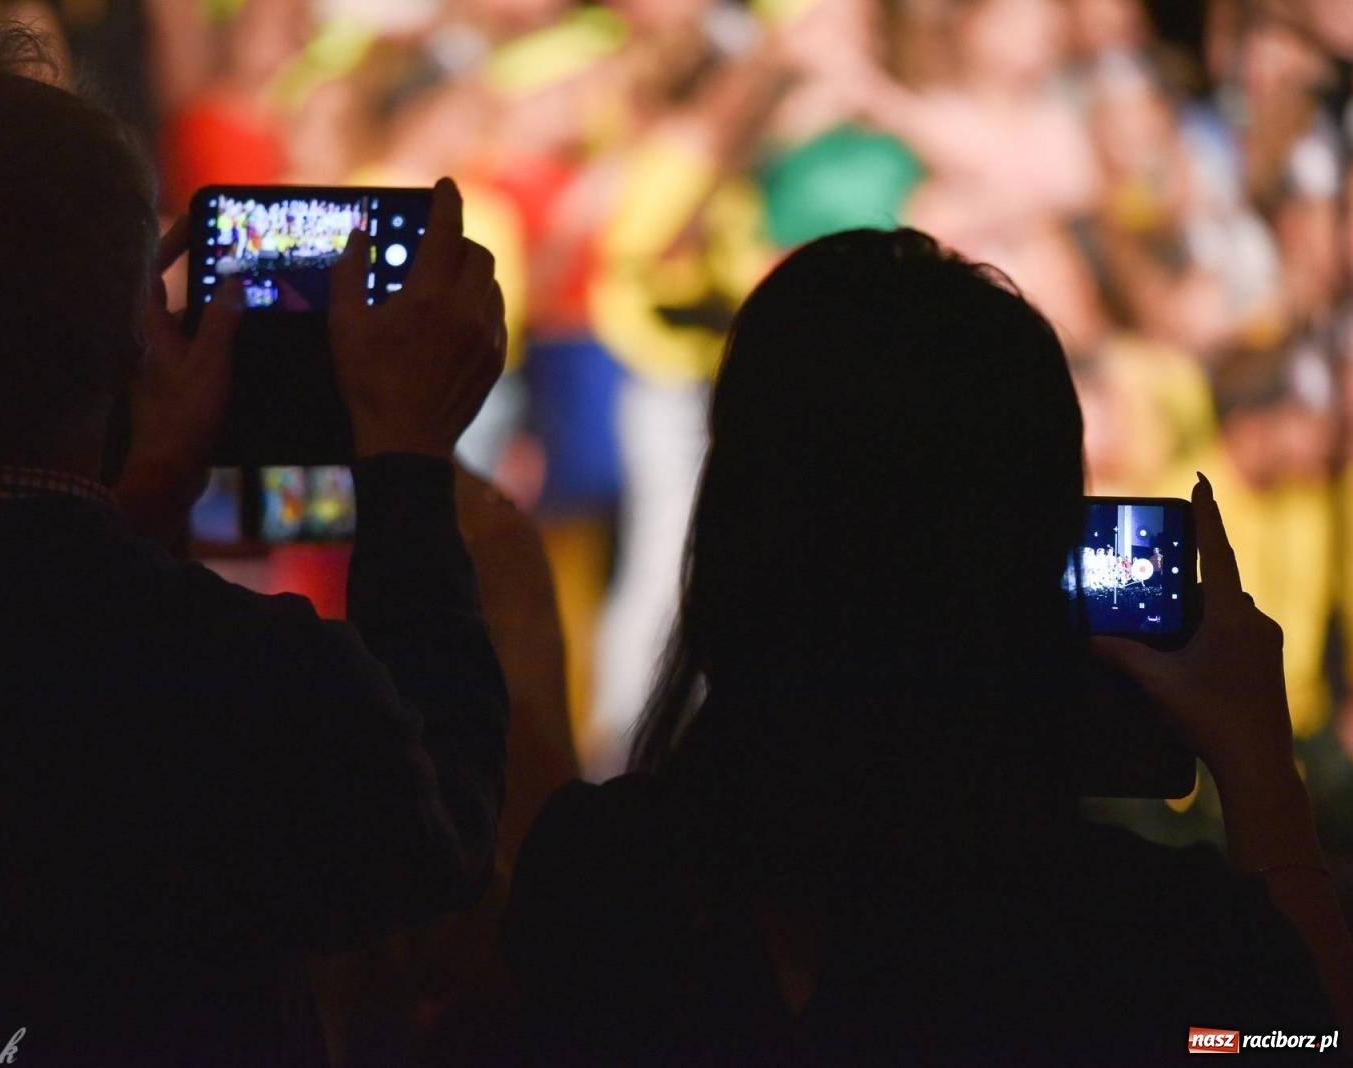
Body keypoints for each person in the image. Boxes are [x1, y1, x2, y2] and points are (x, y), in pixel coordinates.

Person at [0, 13, 511, 1067]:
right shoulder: (246, 682)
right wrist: (406, 468)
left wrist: (148, 500)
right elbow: (436, 837)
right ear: (130, 331)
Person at [504, 228, 1353, 1064]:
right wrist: (1260, 769)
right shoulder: (1141, 949)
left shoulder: (590, 887)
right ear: (1038, 553)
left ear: (732, 527)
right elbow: (1308, 1038)